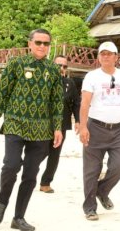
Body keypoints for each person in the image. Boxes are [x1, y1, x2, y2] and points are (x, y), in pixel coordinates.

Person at [0, 28, 64, 231]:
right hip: (15, 123)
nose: (42, 47)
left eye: (46, 44)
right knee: (11, 165)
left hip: (41, 130)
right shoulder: (16, 64)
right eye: (38, 42)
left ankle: (18, 217)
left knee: (30, 174)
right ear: (30, 44)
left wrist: (58, 128)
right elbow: (2, 95)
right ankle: (3, 200)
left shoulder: (54, 70)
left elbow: (57, 102)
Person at [78, 41, 120, 221]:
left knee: (119, 166)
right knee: (91, 170)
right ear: (99, 57)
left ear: (116, 57)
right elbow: (85, 103)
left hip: (118, 130)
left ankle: (102, 191)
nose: (105, 56)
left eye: (109, 53)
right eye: (102, 53)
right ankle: (90, 206)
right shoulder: (91, 77)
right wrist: (83, 127)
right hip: (95, 128)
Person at [39, 55, 81, 193]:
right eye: (58, 65)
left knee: (55, 154)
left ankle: (46, 182)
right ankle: (29, 173)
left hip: (62, 123)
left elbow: (76, 103)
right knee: (41, 151)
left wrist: (78, 121)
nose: (61, 68)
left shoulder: (70, 83)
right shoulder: (43, 80)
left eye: (64, 66)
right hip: (43, 122)